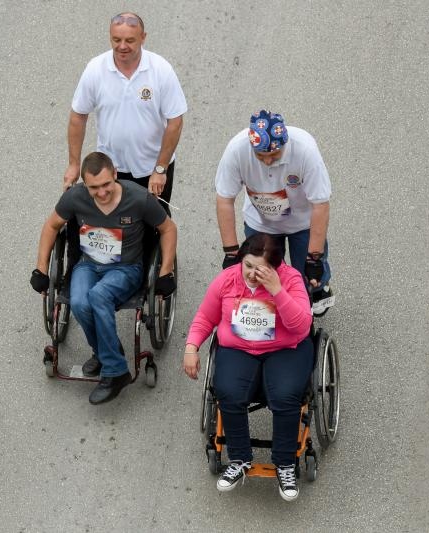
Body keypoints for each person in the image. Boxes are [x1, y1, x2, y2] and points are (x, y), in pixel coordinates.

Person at [32, 151, 177, 405]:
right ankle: (107, 352)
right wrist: (40, 269)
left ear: (115, 175)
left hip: (126, 269)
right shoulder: (75, 197)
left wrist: (165, 271)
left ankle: (115, 371)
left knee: (98, 296)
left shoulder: (138, 198)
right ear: (85, 185)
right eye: (94, 188)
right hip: (88, 264)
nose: (101, 192)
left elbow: (168, 229)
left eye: (106, 184)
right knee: (78, 302)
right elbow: (51, 226)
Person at [183, 233, 313, 501]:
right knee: (228, 392)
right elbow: (206, 316)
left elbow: (301, 326)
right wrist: (191, 347)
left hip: (284, 349)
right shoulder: (227, 279)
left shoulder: (291, 280)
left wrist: (277, 290)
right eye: (248, 266)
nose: (252, 274)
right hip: (239, 348)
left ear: (276, 267)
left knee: (286, 396)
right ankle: (239, 458)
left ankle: (285, 464)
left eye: (260, 269)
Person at [215, 109, 335, 315]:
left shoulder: (305, 151)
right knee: (260, 277)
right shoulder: (236, 150)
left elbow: (321, 205)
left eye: (274, 155)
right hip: (261, 222)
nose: (268, 161)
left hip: (302, 222)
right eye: (261, 156)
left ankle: (317, 290)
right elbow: (225, 199)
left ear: (285, 145)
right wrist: (231, 252)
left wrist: (314, 257)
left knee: (306, 279)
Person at [63, 12, 187, 206]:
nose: (122, 46)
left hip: (152, 170)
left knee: (155, 226)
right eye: (116, 39)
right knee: (113, 230)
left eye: (130, 40)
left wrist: (161, 169)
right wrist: (73, 164)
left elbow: (175, 122)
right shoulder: (95, 69)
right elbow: (78, 117)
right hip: (111, 171)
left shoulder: (161, 70)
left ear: (143, 38)